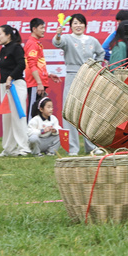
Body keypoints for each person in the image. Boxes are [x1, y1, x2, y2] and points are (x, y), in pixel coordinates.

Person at [53, 13, 104, 155]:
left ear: (85, 25)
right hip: (72, 76)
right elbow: (57, 42)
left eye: (80, 23)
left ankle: (92, 146)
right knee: (70, 111)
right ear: (70, 26)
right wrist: (58, 34)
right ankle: (72, 148)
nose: (78, 26)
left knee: (88, 112)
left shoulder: (92, 40)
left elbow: (101, 53)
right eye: (75, 23)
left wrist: (96, 67)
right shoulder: (67, 38)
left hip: (88, 76)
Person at [0, 24, 30, 157]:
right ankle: (9, 148)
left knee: (17, 116)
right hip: (4, 86)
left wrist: (10, 77)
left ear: (8, 35)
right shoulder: (3, 49)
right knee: (6, 117)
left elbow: (21, 64)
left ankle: (24, 147)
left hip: (15, 85)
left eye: (0, 34)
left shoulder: (16, 47)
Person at [24, 18, 60, 118]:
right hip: (35, 84)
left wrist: (48, 75)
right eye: (42, 28)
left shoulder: (37, 43)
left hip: (38, 82)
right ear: (34, 29)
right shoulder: (32, 43)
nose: (44, 30)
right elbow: (31, 64)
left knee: (39, 113)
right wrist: (38, 83)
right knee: (33, 111)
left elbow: (37, 65)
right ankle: (29, 133)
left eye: (44, 27)